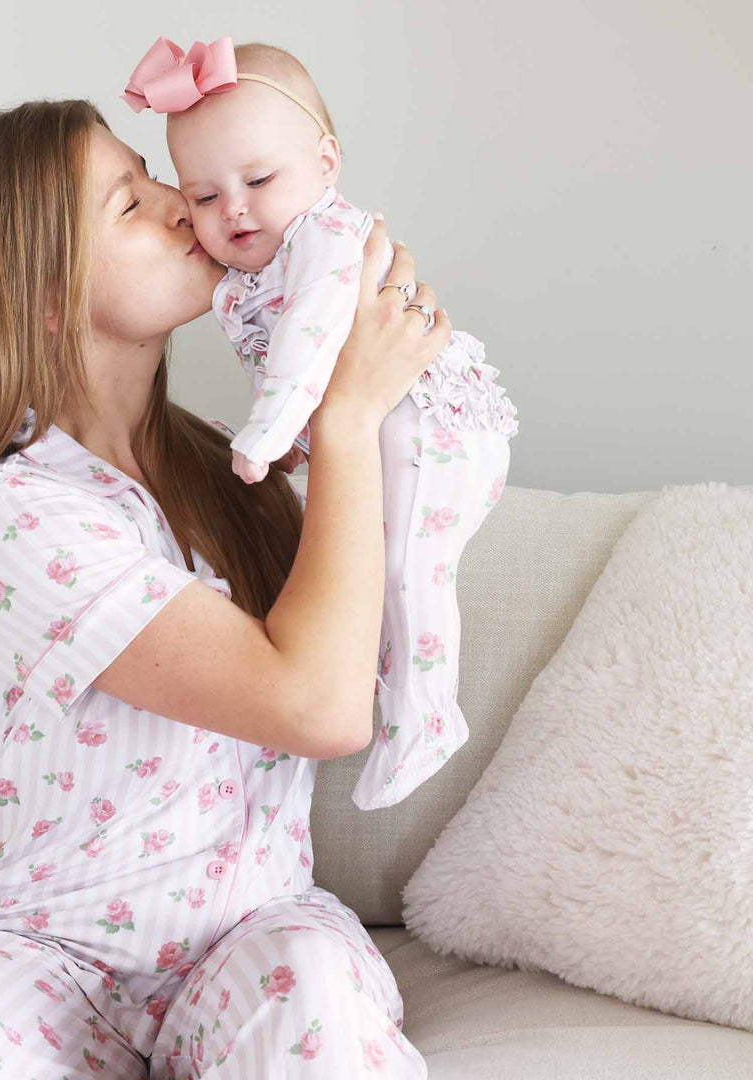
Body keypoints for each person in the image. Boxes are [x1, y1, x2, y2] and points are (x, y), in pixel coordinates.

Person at [0, 95, 450, 1079]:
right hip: (40, 946)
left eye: (153, 176)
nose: (181, 204)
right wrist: (347, 413)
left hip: (249, 932)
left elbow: (360, 667)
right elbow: (316, 706)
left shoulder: (235, 471)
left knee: (319, 1005)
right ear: (40, 297)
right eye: (129, 203)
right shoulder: (11, 520)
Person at [122, 37, 519, 809]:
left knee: (409, 569)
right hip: (387, 426)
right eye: (202, 196)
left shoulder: (328, 238)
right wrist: (294, 442)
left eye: (258, 180)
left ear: (326, 162)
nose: (232, 209)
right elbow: (312, 379)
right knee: (376, 572)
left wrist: (269, 432)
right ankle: (392, 689)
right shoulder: (254, 270)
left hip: (437, 425)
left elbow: (308, 344)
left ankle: (428, 715)